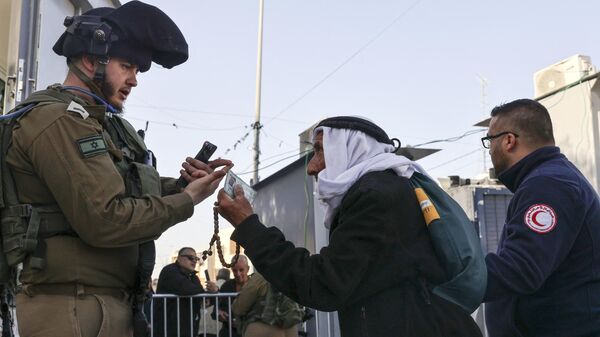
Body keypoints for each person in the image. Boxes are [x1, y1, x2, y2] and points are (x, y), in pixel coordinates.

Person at [6, 2, 231, 337]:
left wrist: (182, 186)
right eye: (127, 66)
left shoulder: (102, 124)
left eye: (137, 70)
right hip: (70, 306)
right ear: (90, 60)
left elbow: (125, 189)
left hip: (101, 304)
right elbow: (106, 219)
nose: (134, 80)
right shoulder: (58, 121)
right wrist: (185, 201)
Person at [216, 116, 482, 337]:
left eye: (320, 151)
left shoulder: (376, 196)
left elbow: (324, 283)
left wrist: (249, 226)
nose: (312, 167)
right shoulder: (383, 189)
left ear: (349, 149)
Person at [481, 99, 600, 337]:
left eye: (489, 141)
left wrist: (452, 276)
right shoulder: (551, 178)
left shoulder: (547, 185)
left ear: (508, 141)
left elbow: (521, 268)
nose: (490, 151)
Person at [154, 247, 206, 337]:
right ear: (179, 258)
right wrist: (203, 291)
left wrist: (215, 290)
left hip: (186, 328)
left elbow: (200, 294)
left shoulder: (193, 276)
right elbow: (186, 289)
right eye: (190, 258)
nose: (194, 261)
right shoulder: (169, 271)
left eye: (196, 259)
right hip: (168, 328)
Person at [232, 272, 301, 337]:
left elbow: (239, 308)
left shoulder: (260, 277)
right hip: (291, 329)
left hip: (264, 329)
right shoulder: (291, 273)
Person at [207, 255, 251, 337]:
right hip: (229, 331)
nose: (238, 274)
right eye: (234, 270)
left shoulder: (255, 285)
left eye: (241, 270)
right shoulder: (227, 286)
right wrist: (219, 313)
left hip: (250, 330)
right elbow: (216, 309)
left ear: (248, 269)